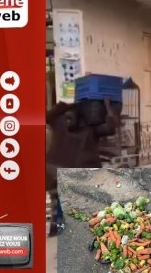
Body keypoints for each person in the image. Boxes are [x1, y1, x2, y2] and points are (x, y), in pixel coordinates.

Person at [46, 98, 119, 236]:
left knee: (64, 201)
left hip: (68, 171)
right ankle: (63, 229)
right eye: (67, 117)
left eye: (71, 117)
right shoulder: (66, 124)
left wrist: (108, 107)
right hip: (67, 171)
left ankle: (61, 229)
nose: (69, 121)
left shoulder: (84, 127)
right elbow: (45, 116)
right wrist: (61, 107)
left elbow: (110, 128)